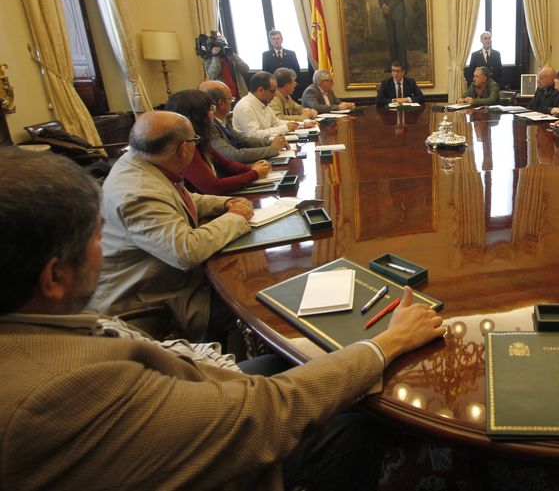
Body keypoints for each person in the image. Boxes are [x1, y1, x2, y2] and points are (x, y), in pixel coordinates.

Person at [0, 149, 446, 491]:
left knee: (288, 360)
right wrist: (386, 344)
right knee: (358, 428)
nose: (107, 248)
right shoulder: (54, 394)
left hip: (190, 376)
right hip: (220, 442)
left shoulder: (36, 325)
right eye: (98, 238)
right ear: (54, 276)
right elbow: (266, 413)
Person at [90, 111, 253, 340]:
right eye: (194, 142)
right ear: (184, 148)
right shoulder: (137, 191)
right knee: (252, 297)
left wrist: (225, 203)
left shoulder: (143, 163)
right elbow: (186, 251)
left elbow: (180, 200)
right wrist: (236, 217)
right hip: (152, 298)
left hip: (166, 280)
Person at [166, 89, 271, 195]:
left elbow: (226, 165)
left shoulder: (198, 139)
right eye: (211, 109)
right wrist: (254, 174)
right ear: (198, 116)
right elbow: (214, 187)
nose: (213, 114)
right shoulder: (184, 146)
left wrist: (251, 168)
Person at [200, 80, 286, 164]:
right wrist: (272, 149)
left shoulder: (221, 120)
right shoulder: (209, 126)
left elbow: (243, 140)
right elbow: (234, 155)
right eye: (231, 99)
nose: (232, 102)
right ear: (221, 103)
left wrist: (271, 143)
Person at [232, 71, 302, 140]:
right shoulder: (245, 107)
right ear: (261, 90)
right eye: (273, 91)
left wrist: (301, 124)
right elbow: (254, 136)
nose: (275, 95)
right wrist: (285, 128)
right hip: (252, 149)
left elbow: (276, 123)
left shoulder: (263, 102)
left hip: (266, 145)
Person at [204, 31, 250, 100]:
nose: (221, 44)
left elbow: (245, 69)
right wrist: (215, 56)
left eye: (222, 40)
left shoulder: (230, 55)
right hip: (223, 96)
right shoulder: (209, 60)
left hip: (240, 94)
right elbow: (213, 74)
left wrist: (233, 55)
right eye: (218, 41)